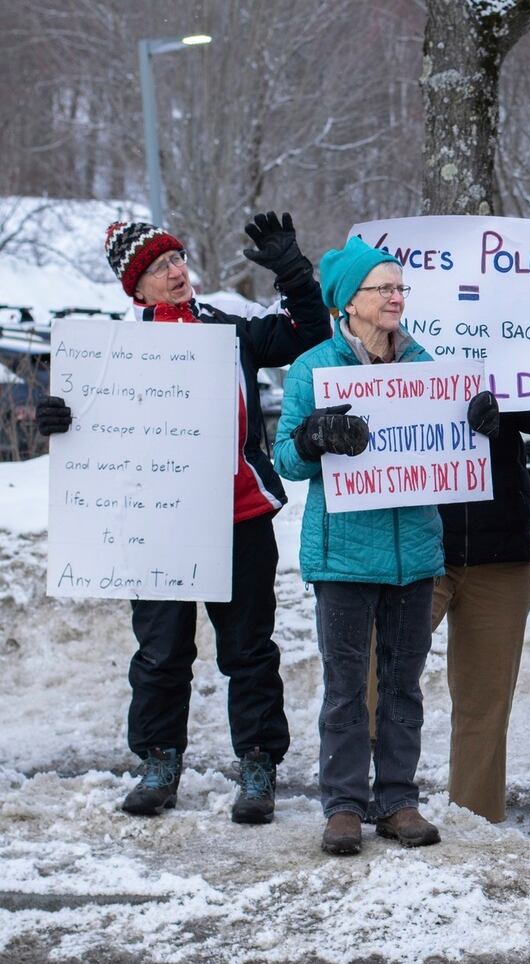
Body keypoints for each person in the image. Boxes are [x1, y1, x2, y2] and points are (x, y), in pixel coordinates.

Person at [36, 214, 328, 824]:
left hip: (239, 515)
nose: (176, 273)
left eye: (177, 261)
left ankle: (257, 765)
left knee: (248, 649)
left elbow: (307, 333)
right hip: (157, 520)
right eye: (159, 267)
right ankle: (159, 761)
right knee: (161, 649)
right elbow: (86, 420)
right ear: (135, 286)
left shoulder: (228, 332)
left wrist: (293, 272)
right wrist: (57, 420)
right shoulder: (109, 349)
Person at [275, 236, 492, 855]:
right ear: (349, 303)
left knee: (404, 683)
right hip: (344, 554)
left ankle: (396, 798)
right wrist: (316, 437)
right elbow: (286, 458)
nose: (397, 297)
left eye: (400, 288)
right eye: (384, 288)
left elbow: (454, 442)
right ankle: (343, 804)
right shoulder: (313, 367)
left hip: (415, 552)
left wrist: (475, 421)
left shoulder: (428, 367)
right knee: (347, 685)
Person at [361, 297, 530, 824]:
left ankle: (475, 821)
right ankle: (360, 802)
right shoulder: (395, 352)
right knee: (374, 680)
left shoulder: (502, 350)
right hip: (418, 547)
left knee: (485, 704)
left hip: (501, 552)